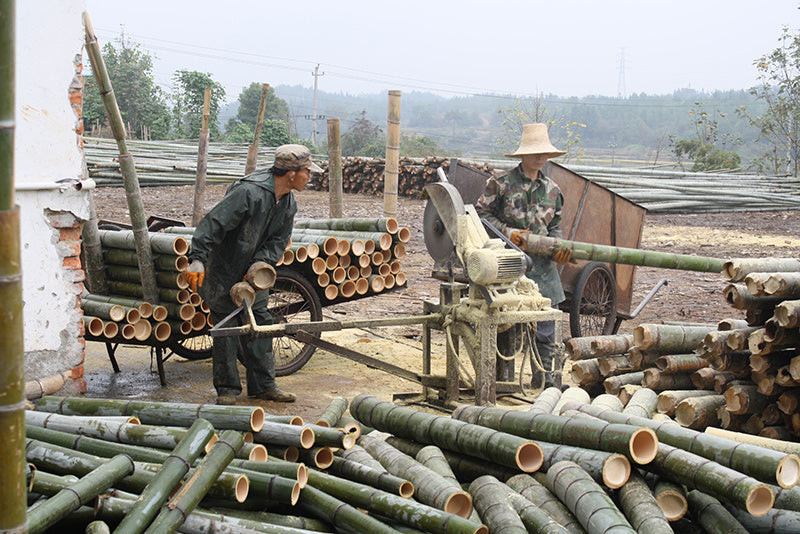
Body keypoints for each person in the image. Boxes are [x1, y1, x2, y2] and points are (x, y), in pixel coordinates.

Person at [185, 144, 322, 405]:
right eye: (307, 172)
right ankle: (227, 389)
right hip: (223, 269)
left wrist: (260, 266)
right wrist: (197, 259)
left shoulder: (288, 202)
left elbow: (279, 240)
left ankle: (264, 385)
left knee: (261, 324)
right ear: (292, 174)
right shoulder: (249, 192)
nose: (310, 177)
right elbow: (213, 223)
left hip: (252, 276)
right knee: (227, 327)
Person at [476, 123, 572, 389]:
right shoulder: (500, 183)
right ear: (522, 155)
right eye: (534, 152)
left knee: (545, 329)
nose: (540, 157)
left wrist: (560, 247)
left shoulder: (552, 190)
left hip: (542, 269)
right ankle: (501, 382)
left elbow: (555, 227)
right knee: (504, 326)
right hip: (508, 265)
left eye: (544, 153)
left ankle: (544, 382)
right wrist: (508, 231)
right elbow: (480, 216)